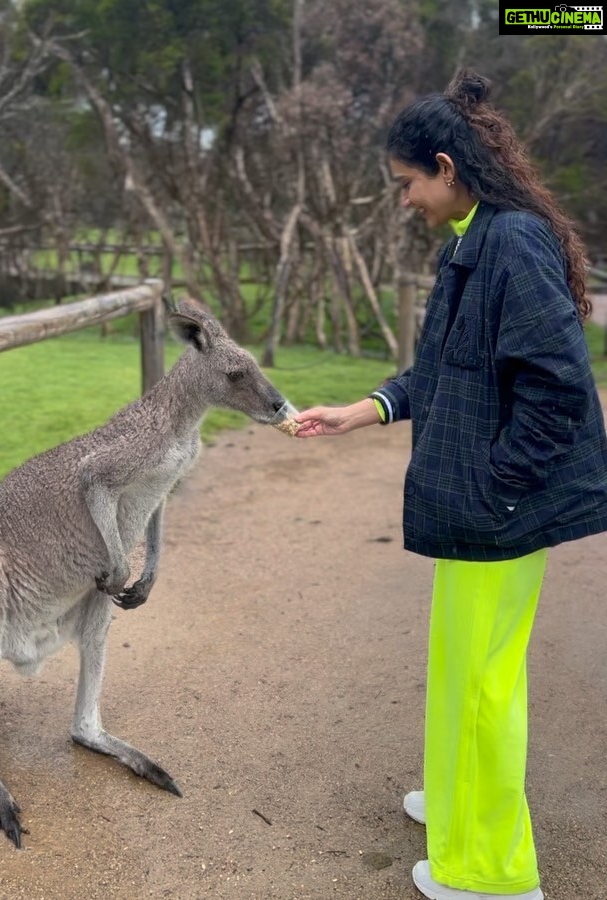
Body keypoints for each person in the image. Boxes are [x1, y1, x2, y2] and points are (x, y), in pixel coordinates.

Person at [294, 68, 607, 900]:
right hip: (477, 505)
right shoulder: (472, 236)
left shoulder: (510, 241)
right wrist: (366, 408)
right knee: (456, 666)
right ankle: (454, 804)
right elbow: (443, 366)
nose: (404, 201)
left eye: (406, 185)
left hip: (497, 511)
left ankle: (494, 875)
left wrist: (500, 486)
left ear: (445, 165)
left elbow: (559, 385)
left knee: (485, 689)